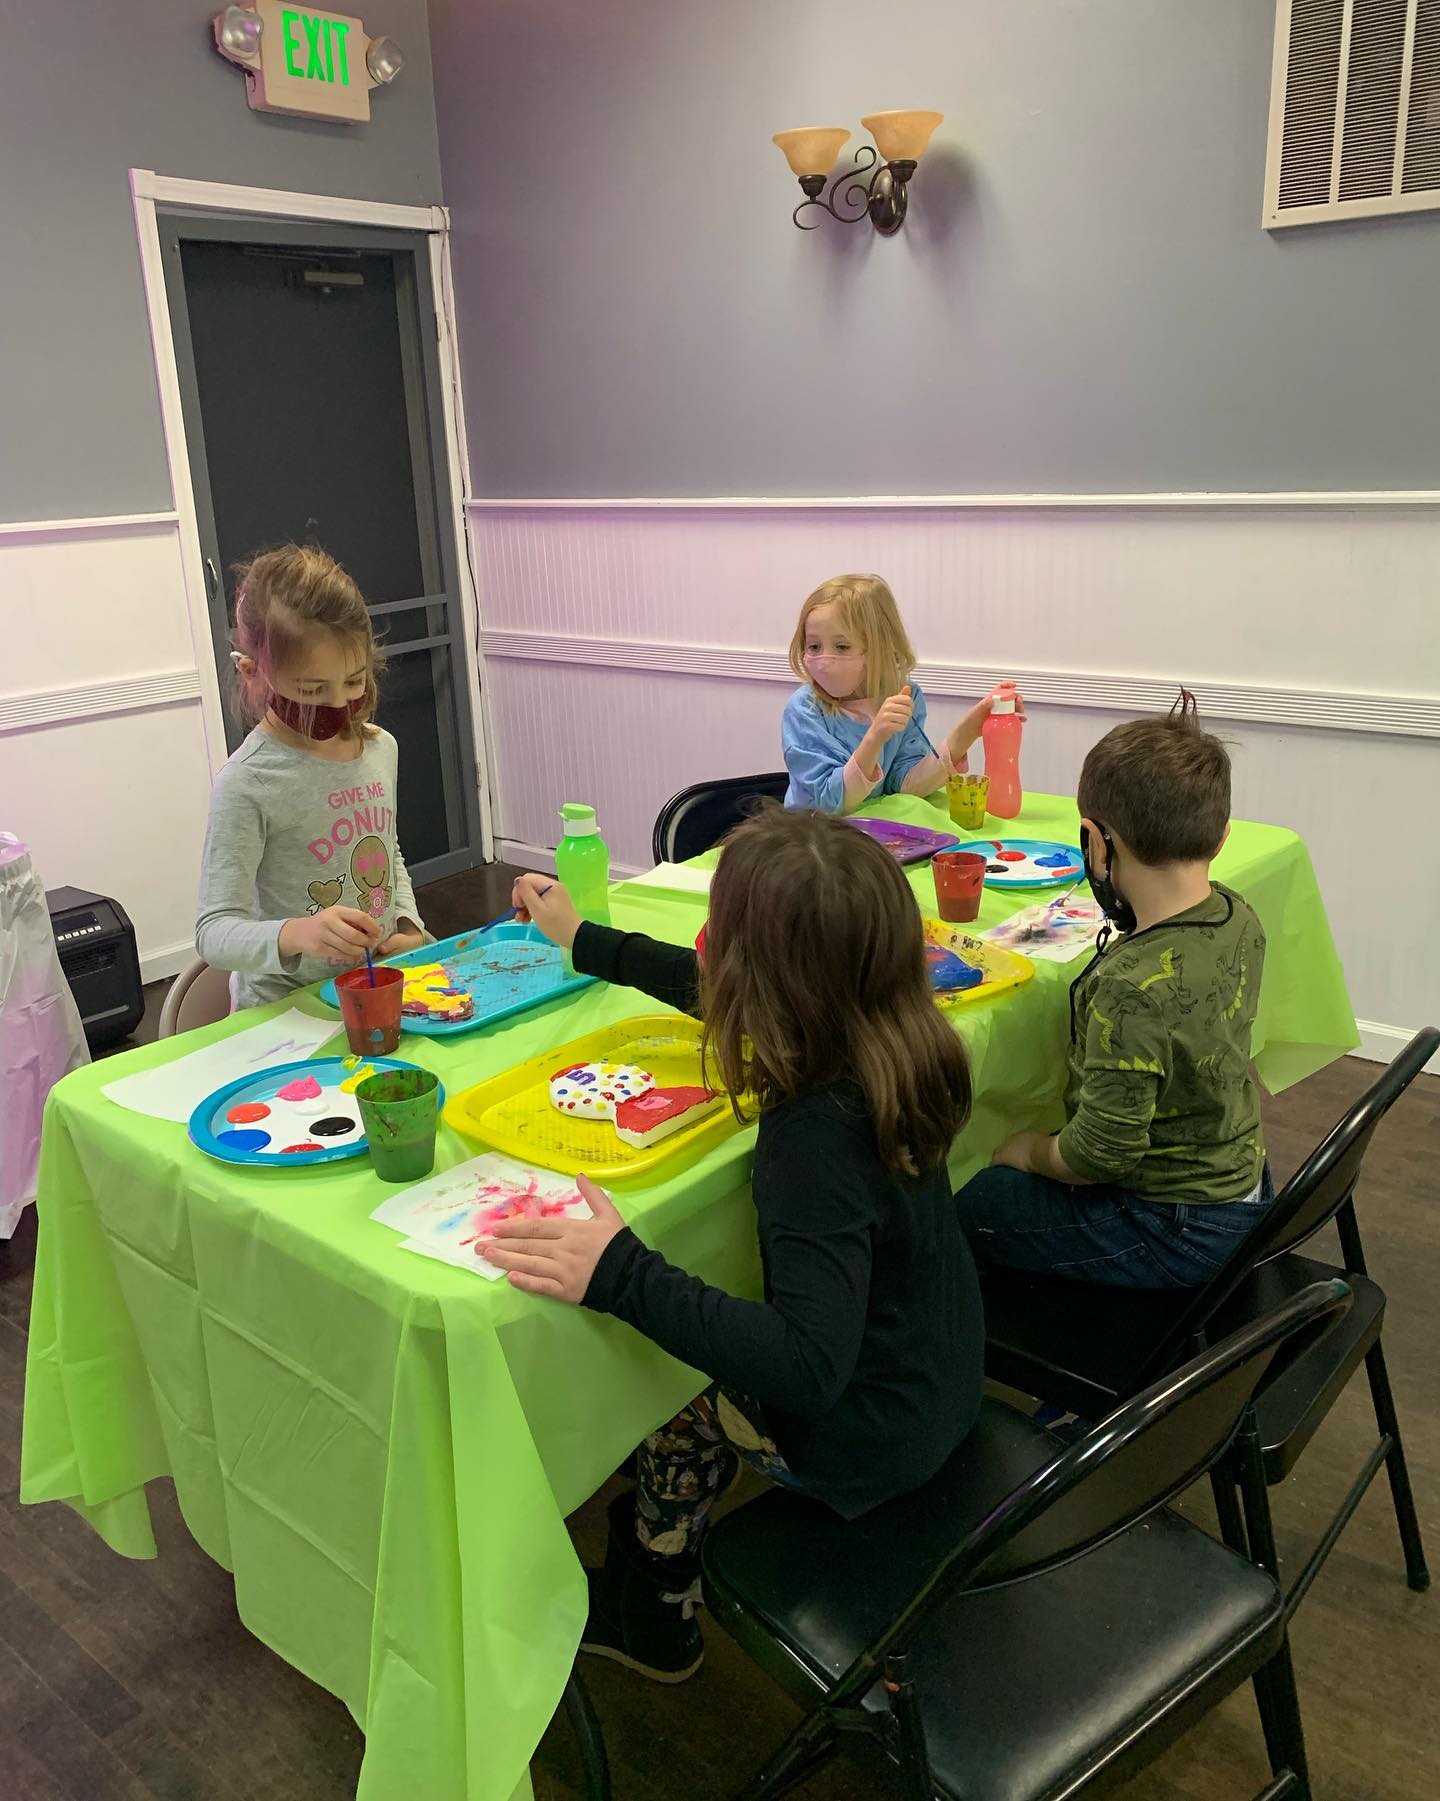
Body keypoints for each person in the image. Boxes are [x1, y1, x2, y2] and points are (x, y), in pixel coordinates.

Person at [483, 808, 982, 1681]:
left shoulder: (815, 1136)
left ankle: (653, 1598)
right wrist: (585, 939)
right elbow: (713, 984)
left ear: (760, 978)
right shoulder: (895, 1035)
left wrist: (621, 1272)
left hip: (869, 1440)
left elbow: (805, 1367)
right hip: (938, 1382)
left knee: (669, 1383)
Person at [955, 691, 1270, 1288]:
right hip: (1244, 1183)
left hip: (1179, 1229)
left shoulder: (1130, 989)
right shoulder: (1238, 914)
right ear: (1222, 836)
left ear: (1096, 845)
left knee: (970, 1203)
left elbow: (1099, 1157)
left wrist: (1027, 1151)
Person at [195, 545, 426, 1009]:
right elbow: (213, 932)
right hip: (287, 1012)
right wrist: (299, 934)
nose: (339, 704)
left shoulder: (381, 748)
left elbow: (386, 849)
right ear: (253, 672)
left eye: (354, 680)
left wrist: (407, 925)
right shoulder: (249, 781)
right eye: (312, 689)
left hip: (375, 989)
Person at [781, 572, 1023, 812]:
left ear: (880, 647)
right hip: (813, 841)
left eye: (842, 646)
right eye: (813, 646)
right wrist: (875, 738)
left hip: (877, 836)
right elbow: (827, 802)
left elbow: (906, 785)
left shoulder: (904, 695)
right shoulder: (805, 709)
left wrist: (968, 731)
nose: (824, 661)